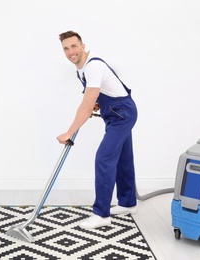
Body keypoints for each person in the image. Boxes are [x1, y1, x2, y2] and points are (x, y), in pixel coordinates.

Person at [57, 31, 138, 229]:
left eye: (74, 46)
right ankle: (128, 202)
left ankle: (101, 214)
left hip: (122, 115)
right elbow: (99, 94)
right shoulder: (82, 69)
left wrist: (69, 132)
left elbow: (86, 105)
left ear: (83, 46)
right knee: (123, 158)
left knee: (104, 159)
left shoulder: (93, 66)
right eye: (66, 49)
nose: (70, 52)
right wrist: (98, 102)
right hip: (116, 113)